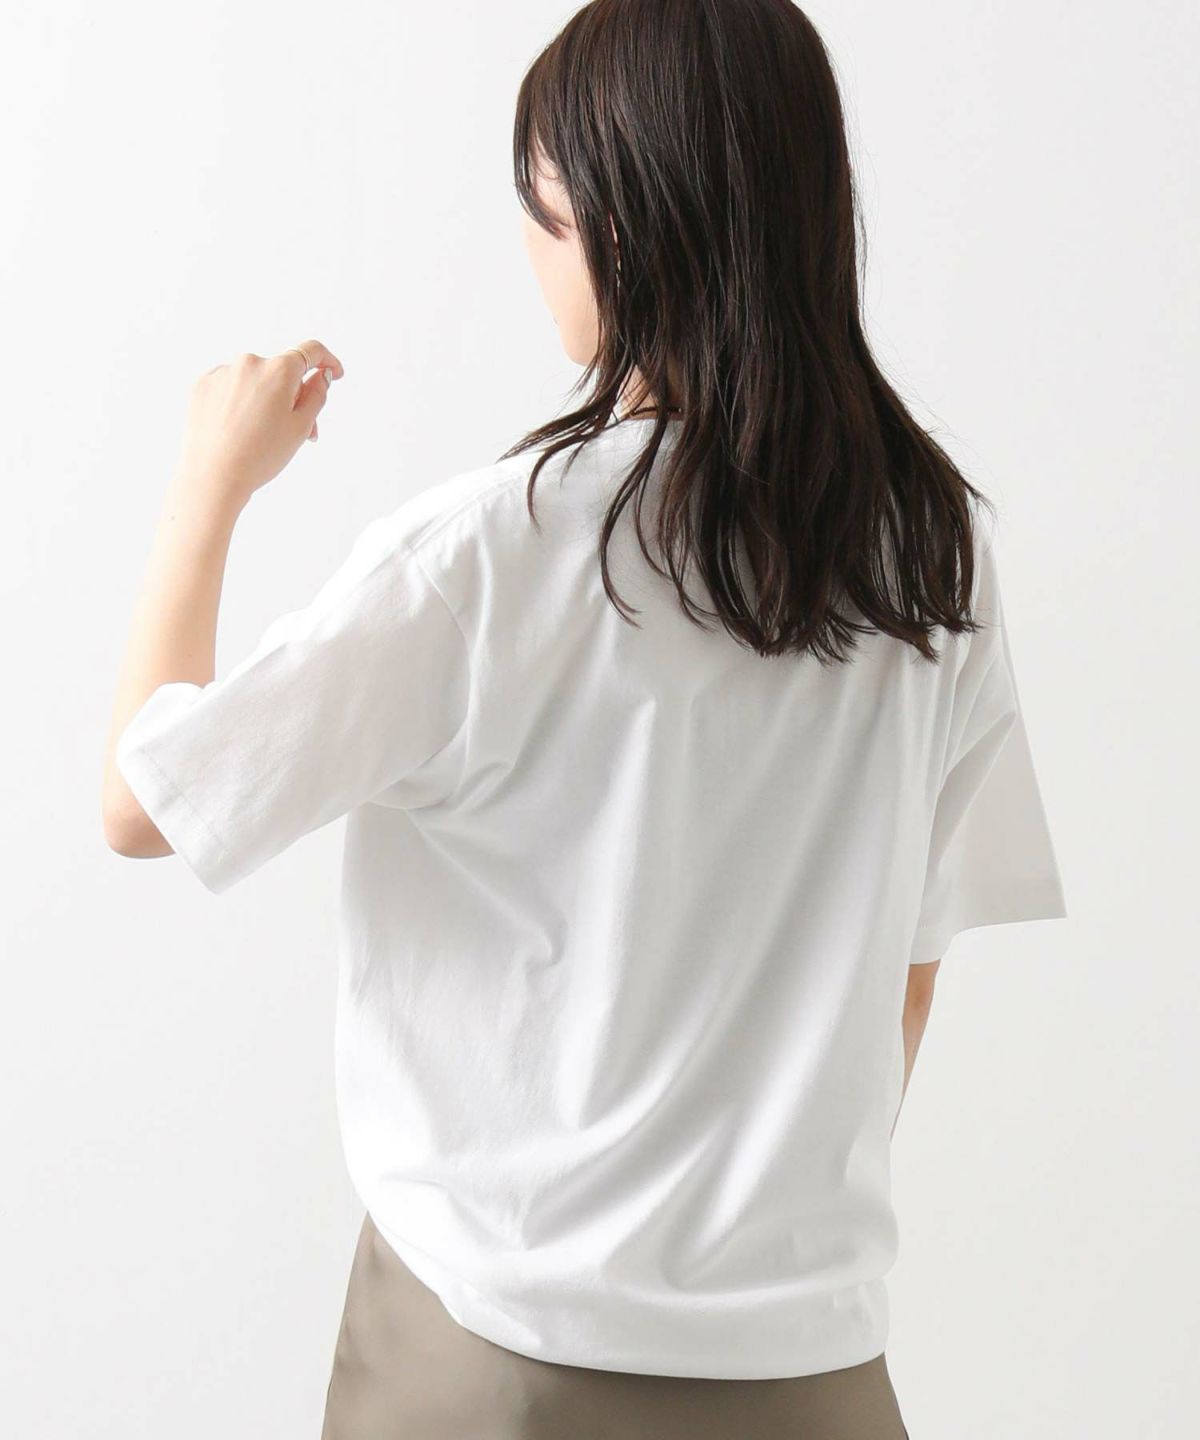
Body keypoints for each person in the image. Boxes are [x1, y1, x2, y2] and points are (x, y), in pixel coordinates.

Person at [100, 1, 1067, 1436]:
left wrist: (207, 486)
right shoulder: (934, 552)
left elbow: (146, 804)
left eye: (540, 208)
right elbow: (909, 968)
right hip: (810, 1372)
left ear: (619, 227)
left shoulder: (490, 555)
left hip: (496, 1366)